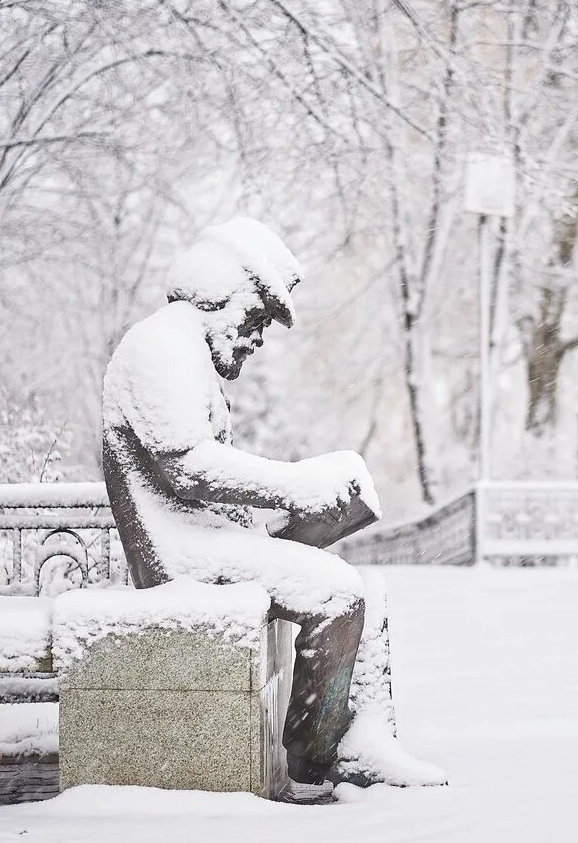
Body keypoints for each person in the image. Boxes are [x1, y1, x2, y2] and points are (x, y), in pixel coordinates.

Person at [102, 215, 445, 788]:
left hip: (210, 544)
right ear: (223, 293)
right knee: (336, 594)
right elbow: (185, 467)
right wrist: (296, 486)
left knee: (368, 591)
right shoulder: (161, 344)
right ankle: (318, 758)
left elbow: (198, 478)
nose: (257, 337)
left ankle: (366, 741)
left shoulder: (185, 353)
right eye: (256, 316)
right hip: (180, 561)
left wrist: (304, 512)